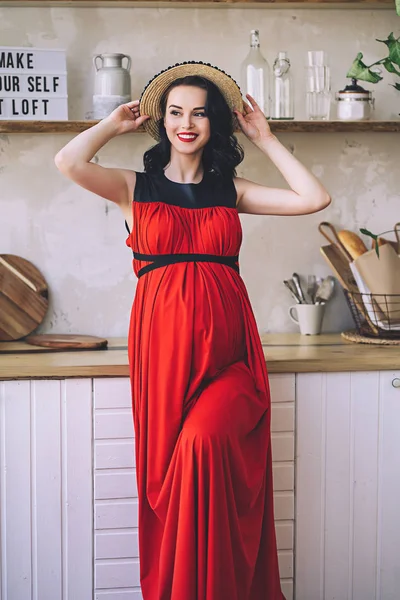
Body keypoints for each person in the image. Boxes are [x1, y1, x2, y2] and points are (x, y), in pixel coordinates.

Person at [55, 61, 330, 600]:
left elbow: (313, 199)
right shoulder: (132, 187)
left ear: (214, 124)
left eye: (200, 113)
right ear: (162, 121)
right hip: (162, 354)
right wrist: (113, 124)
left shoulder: (233, 190)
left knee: (204, 443)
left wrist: (267, 138)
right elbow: (67, 160)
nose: (188, 123)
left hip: (229, 356)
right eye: (176, 112)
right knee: (169, 477)